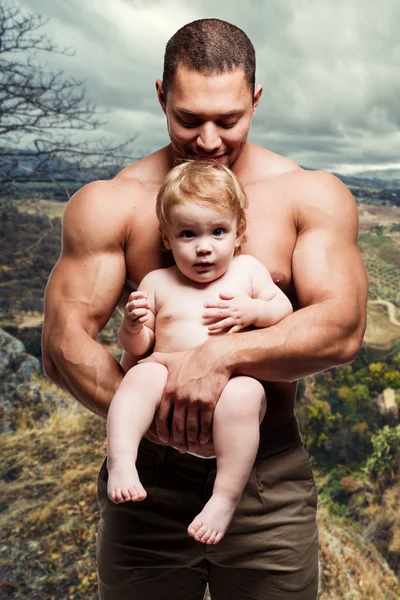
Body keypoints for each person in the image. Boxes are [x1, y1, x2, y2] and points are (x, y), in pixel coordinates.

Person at [42, 18, 368, 600]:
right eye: (189, 119)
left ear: (256, 99)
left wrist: (220, 356)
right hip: (145, 481)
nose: (210, 140)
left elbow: (341, 328)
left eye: (229, 119)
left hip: (266, 477)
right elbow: (62, 347)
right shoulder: (111, 203)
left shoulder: (308, 194)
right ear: (162, 97)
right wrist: (156, 410)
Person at [106, 160, 293, 546]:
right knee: (140, 374)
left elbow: (283, 311)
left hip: (231, 389)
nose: (204, 247)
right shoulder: (157, 282)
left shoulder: (248, 271)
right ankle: (122, 462)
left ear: (239, 232)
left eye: (218, 231)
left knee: (246, 394)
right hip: (165, 386)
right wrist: (133, 327)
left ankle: (224, 499)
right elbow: (138, 349)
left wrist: (254, 310)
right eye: (188, 234)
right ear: (166, 238)